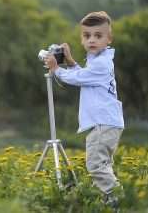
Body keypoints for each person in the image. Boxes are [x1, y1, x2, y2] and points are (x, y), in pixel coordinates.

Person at [44, 11, 124, 209]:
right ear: (81, 38)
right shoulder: (98, 60)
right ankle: (112, 200)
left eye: (98, 36)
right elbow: (83, 74)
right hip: (107, 122)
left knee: (96, 166)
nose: (92, 40)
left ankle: (117, 201)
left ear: (109, 39)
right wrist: (70, 62)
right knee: (102, 165)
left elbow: (78, 79)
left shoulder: (102, 63)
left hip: (103, 123)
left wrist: (56, 69)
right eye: (87, 35)